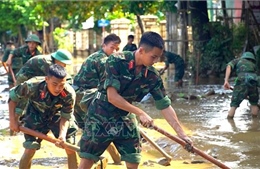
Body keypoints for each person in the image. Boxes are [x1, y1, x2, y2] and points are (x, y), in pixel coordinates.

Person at [78, 31, 193, 169]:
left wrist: (181, 134)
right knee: (88, 158)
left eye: (158, 57)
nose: (156, 61)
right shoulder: (116, 61)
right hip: (100, 114)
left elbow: (165, 105)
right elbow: (112, 97)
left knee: (134, 158)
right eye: (153, 57)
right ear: (142, 50)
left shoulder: (152, 76)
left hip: (125, 116)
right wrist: (140, 113)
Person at [8, 64, 78, 169]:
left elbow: (66, 115)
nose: (58, 88)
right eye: (55, 84)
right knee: (30, 147)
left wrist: (62, 135)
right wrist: (13, 120)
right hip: (36, 113)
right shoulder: (32, 86)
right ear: (46, 79)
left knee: (69, 146)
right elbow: (12, 99)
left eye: (61, 85)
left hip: (57, 115)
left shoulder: (69, 93)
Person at [73, 33, 121, 164]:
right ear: (104, 45)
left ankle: (117, 161)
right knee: (101, 128)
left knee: (98, 129)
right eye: (112, 48)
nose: (115, 51)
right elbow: (109, 87)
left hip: (79, 96)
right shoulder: (103, 61)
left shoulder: (97, 56)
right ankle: (87, 157)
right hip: (86, 97)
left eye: (117, 48)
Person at [14, 49, 74, 121]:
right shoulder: (47, 63)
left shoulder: (52, 62)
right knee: (20, 104)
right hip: (24, 79)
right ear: (58, 60)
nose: (64, 66)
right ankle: (15, 123)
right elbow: (54, 78)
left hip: (34, 78)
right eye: (64, 64)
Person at [223, 52, 259, 119]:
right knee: (254, 103)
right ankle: (254, 123)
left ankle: (230, 121)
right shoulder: (253, 64)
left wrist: (226, 81)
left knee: (234, 104)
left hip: (241, 81)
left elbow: (228, 66)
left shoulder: (238, 60)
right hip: (253, 81)